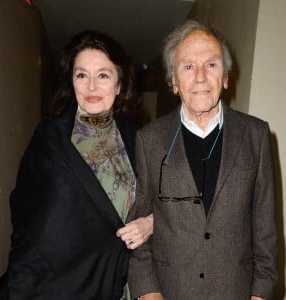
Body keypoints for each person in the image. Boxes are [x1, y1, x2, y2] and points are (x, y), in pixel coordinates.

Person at [128, 20, 277, 300]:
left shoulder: (255, 134)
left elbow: (266, 229)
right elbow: (139, 228)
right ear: (174, 82)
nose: (200, 77)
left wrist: (260, 295)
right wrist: (149, 293)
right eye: (187, 67)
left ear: (226, 77)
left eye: (211, 64)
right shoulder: (149, 140)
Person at [2, 30, 153, 300]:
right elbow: (28, 221)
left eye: (103, 75)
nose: (91, 87)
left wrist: (150, 223)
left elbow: (167, 201)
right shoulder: (50, 138)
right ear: (71, 81)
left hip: (120, 283)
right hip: (61, 285)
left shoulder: (138, 139)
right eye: (81, 75)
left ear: (119, 85)